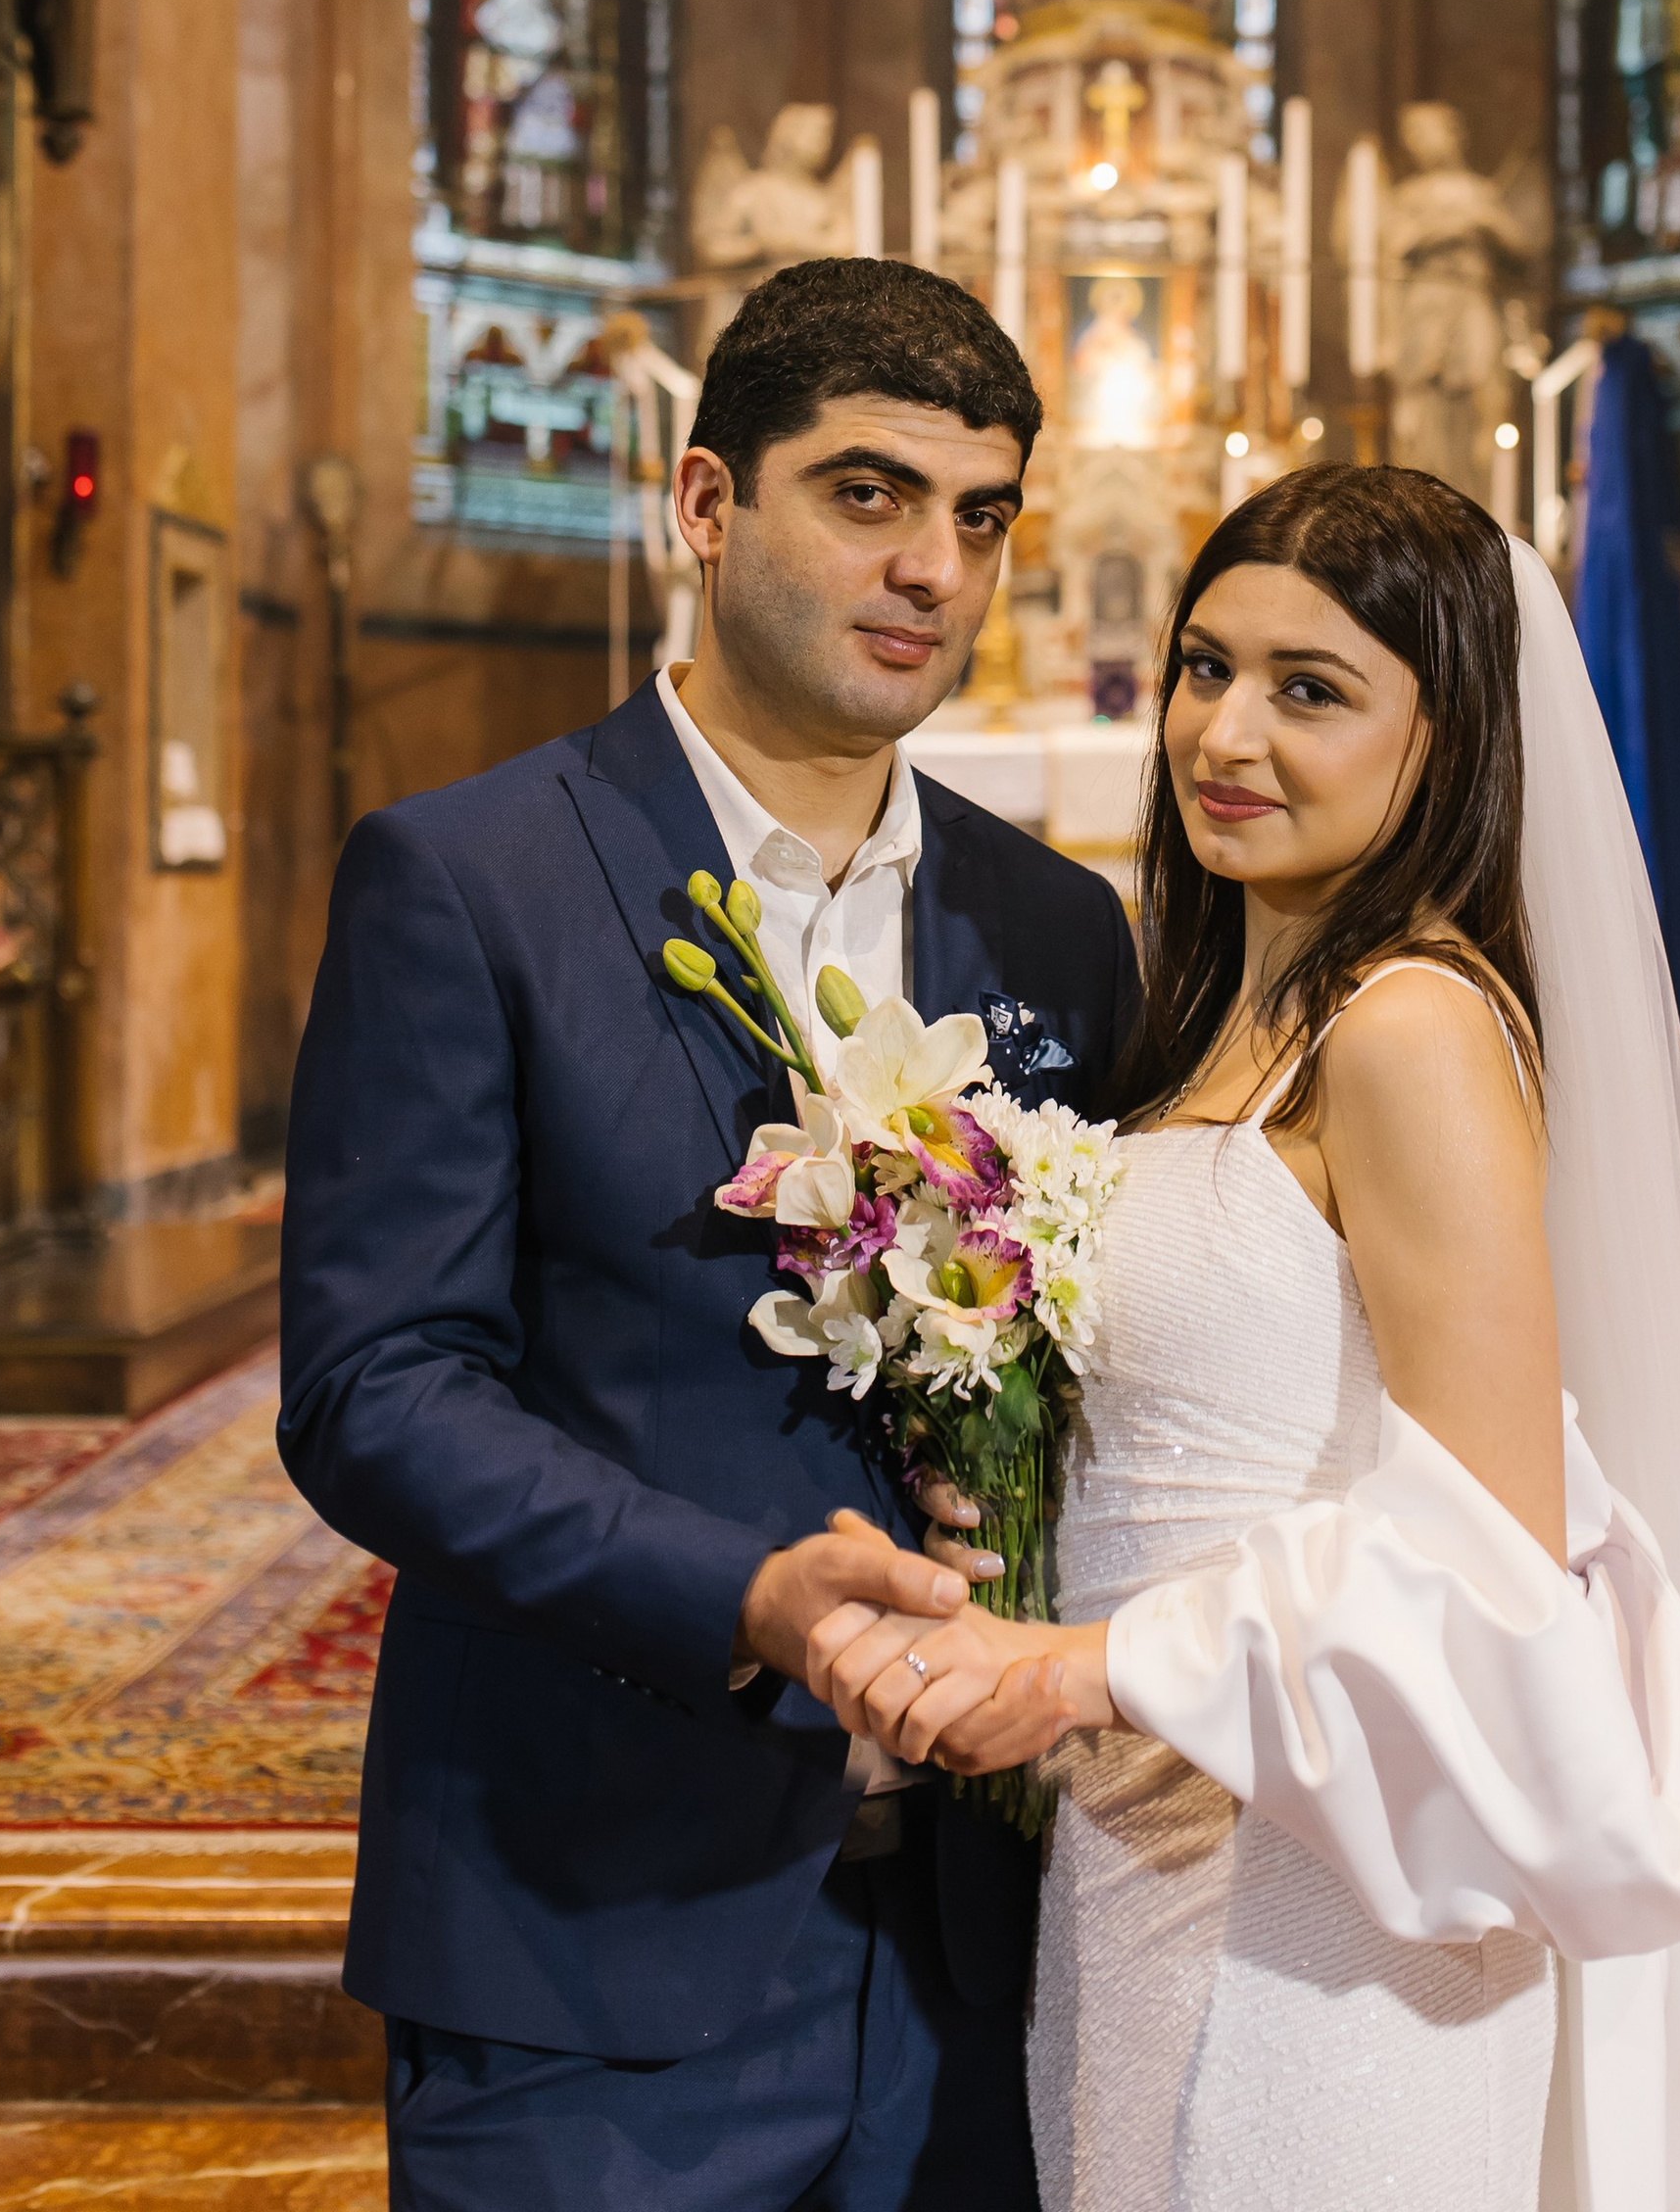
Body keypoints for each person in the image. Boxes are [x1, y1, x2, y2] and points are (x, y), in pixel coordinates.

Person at [811, 463, 1680, 2211]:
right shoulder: (1217, 1021)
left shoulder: (1409, 1026)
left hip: (1338, 1875)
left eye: (1312, 689)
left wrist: (1077, 1669)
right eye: (1209, 667)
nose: (1224, 730)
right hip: (1141, 1838)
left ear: (1448, 739)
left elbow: (1496, 1553)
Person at [278, 254, 1139, 2210]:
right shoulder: (470, 881)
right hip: (594, 1920)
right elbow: (374, 1388)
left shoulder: (1053, 931)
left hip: (979, 1935)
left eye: (978, 517)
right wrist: (736, 1593)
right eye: (865, 493)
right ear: (702, 504)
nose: (932, 566)